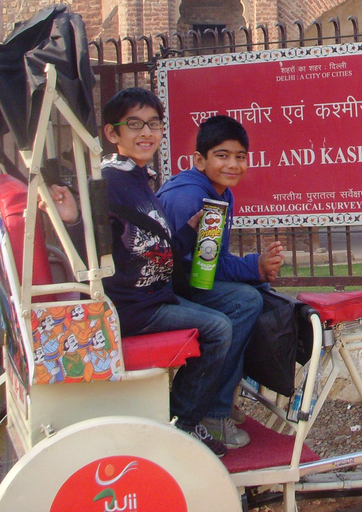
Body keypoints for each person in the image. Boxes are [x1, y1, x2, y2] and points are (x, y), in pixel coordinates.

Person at [41, 87, 233, 457]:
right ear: (113, 133)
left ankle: (206, 410)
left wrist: (189, 230)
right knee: (220, 327)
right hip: (135, 309)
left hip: (152, 295)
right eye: (135, 125)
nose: (147, 133)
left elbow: (151, 249)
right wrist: (74, 218)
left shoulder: (140, 179)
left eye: (154, 124)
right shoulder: (110, 182)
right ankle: (185, 422)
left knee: (238, 303)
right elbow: (92, 245)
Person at [157, 114, 284, 449]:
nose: (233, 164)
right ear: (200, 160)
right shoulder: (195, 197)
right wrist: (254, 266)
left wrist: (255, 271)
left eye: (240, 157)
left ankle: (224, 399)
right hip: (165, 289)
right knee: (246, 301)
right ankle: (212, 413)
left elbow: (209, 261)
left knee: (256, 291)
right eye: (222, 155)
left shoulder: (217, 191)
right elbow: (204, 269)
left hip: (183, 279)